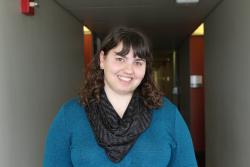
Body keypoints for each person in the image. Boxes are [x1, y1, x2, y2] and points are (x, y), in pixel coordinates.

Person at [43, 26, 197, 167]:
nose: (129, 70)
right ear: (102, 60)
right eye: (120, 59)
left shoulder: (168, 115)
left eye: (138, 62)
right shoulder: (70, 115)